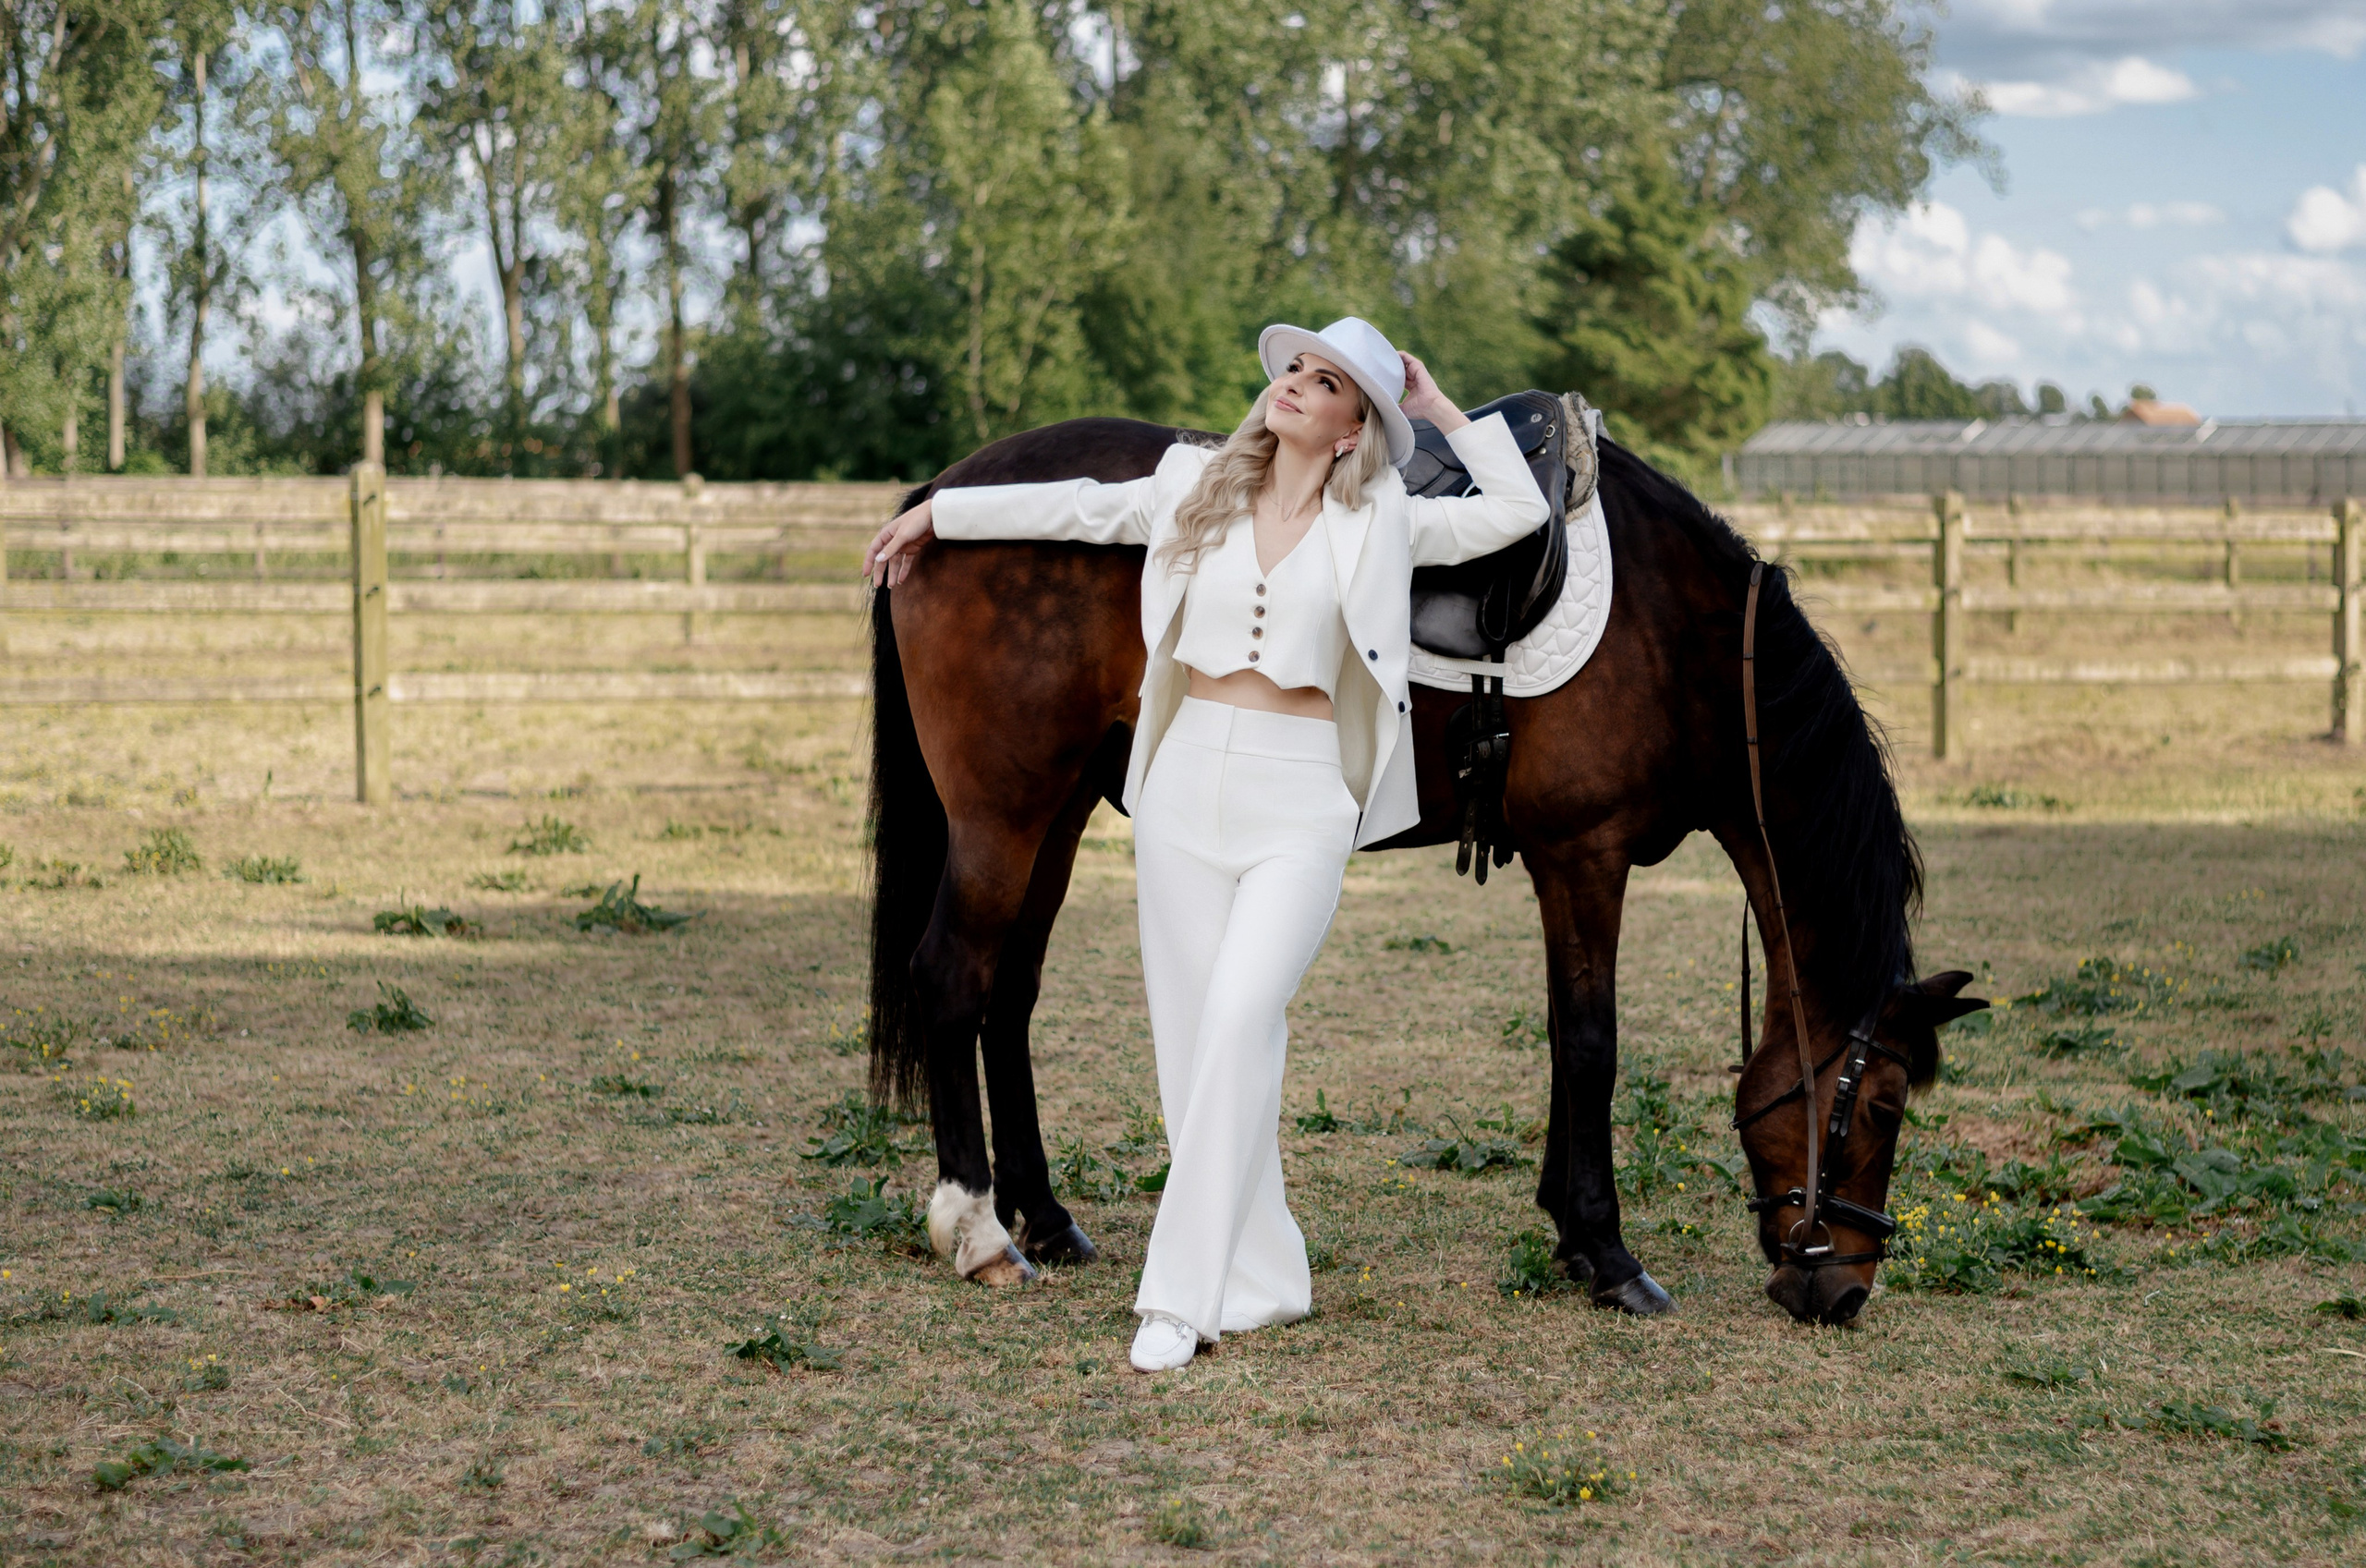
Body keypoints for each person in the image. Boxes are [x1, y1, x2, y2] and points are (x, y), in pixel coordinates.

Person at [862, 318, 1549, 1372]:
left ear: (1353, 423)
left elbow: (1513, 511)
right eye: (1294, 369)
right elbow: (1077, 508)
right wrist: (935, 516)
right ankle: (1266, 1271)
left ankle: (1176, 1302)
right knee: (1193, 1045)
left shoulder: (1385, 519)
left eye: (1323, 383)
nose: (1294, 386)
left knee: (1240, 1013)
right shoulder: (1193, 483)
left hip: (1303, 793)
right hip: (1183, 788)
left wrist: (1440, 407)